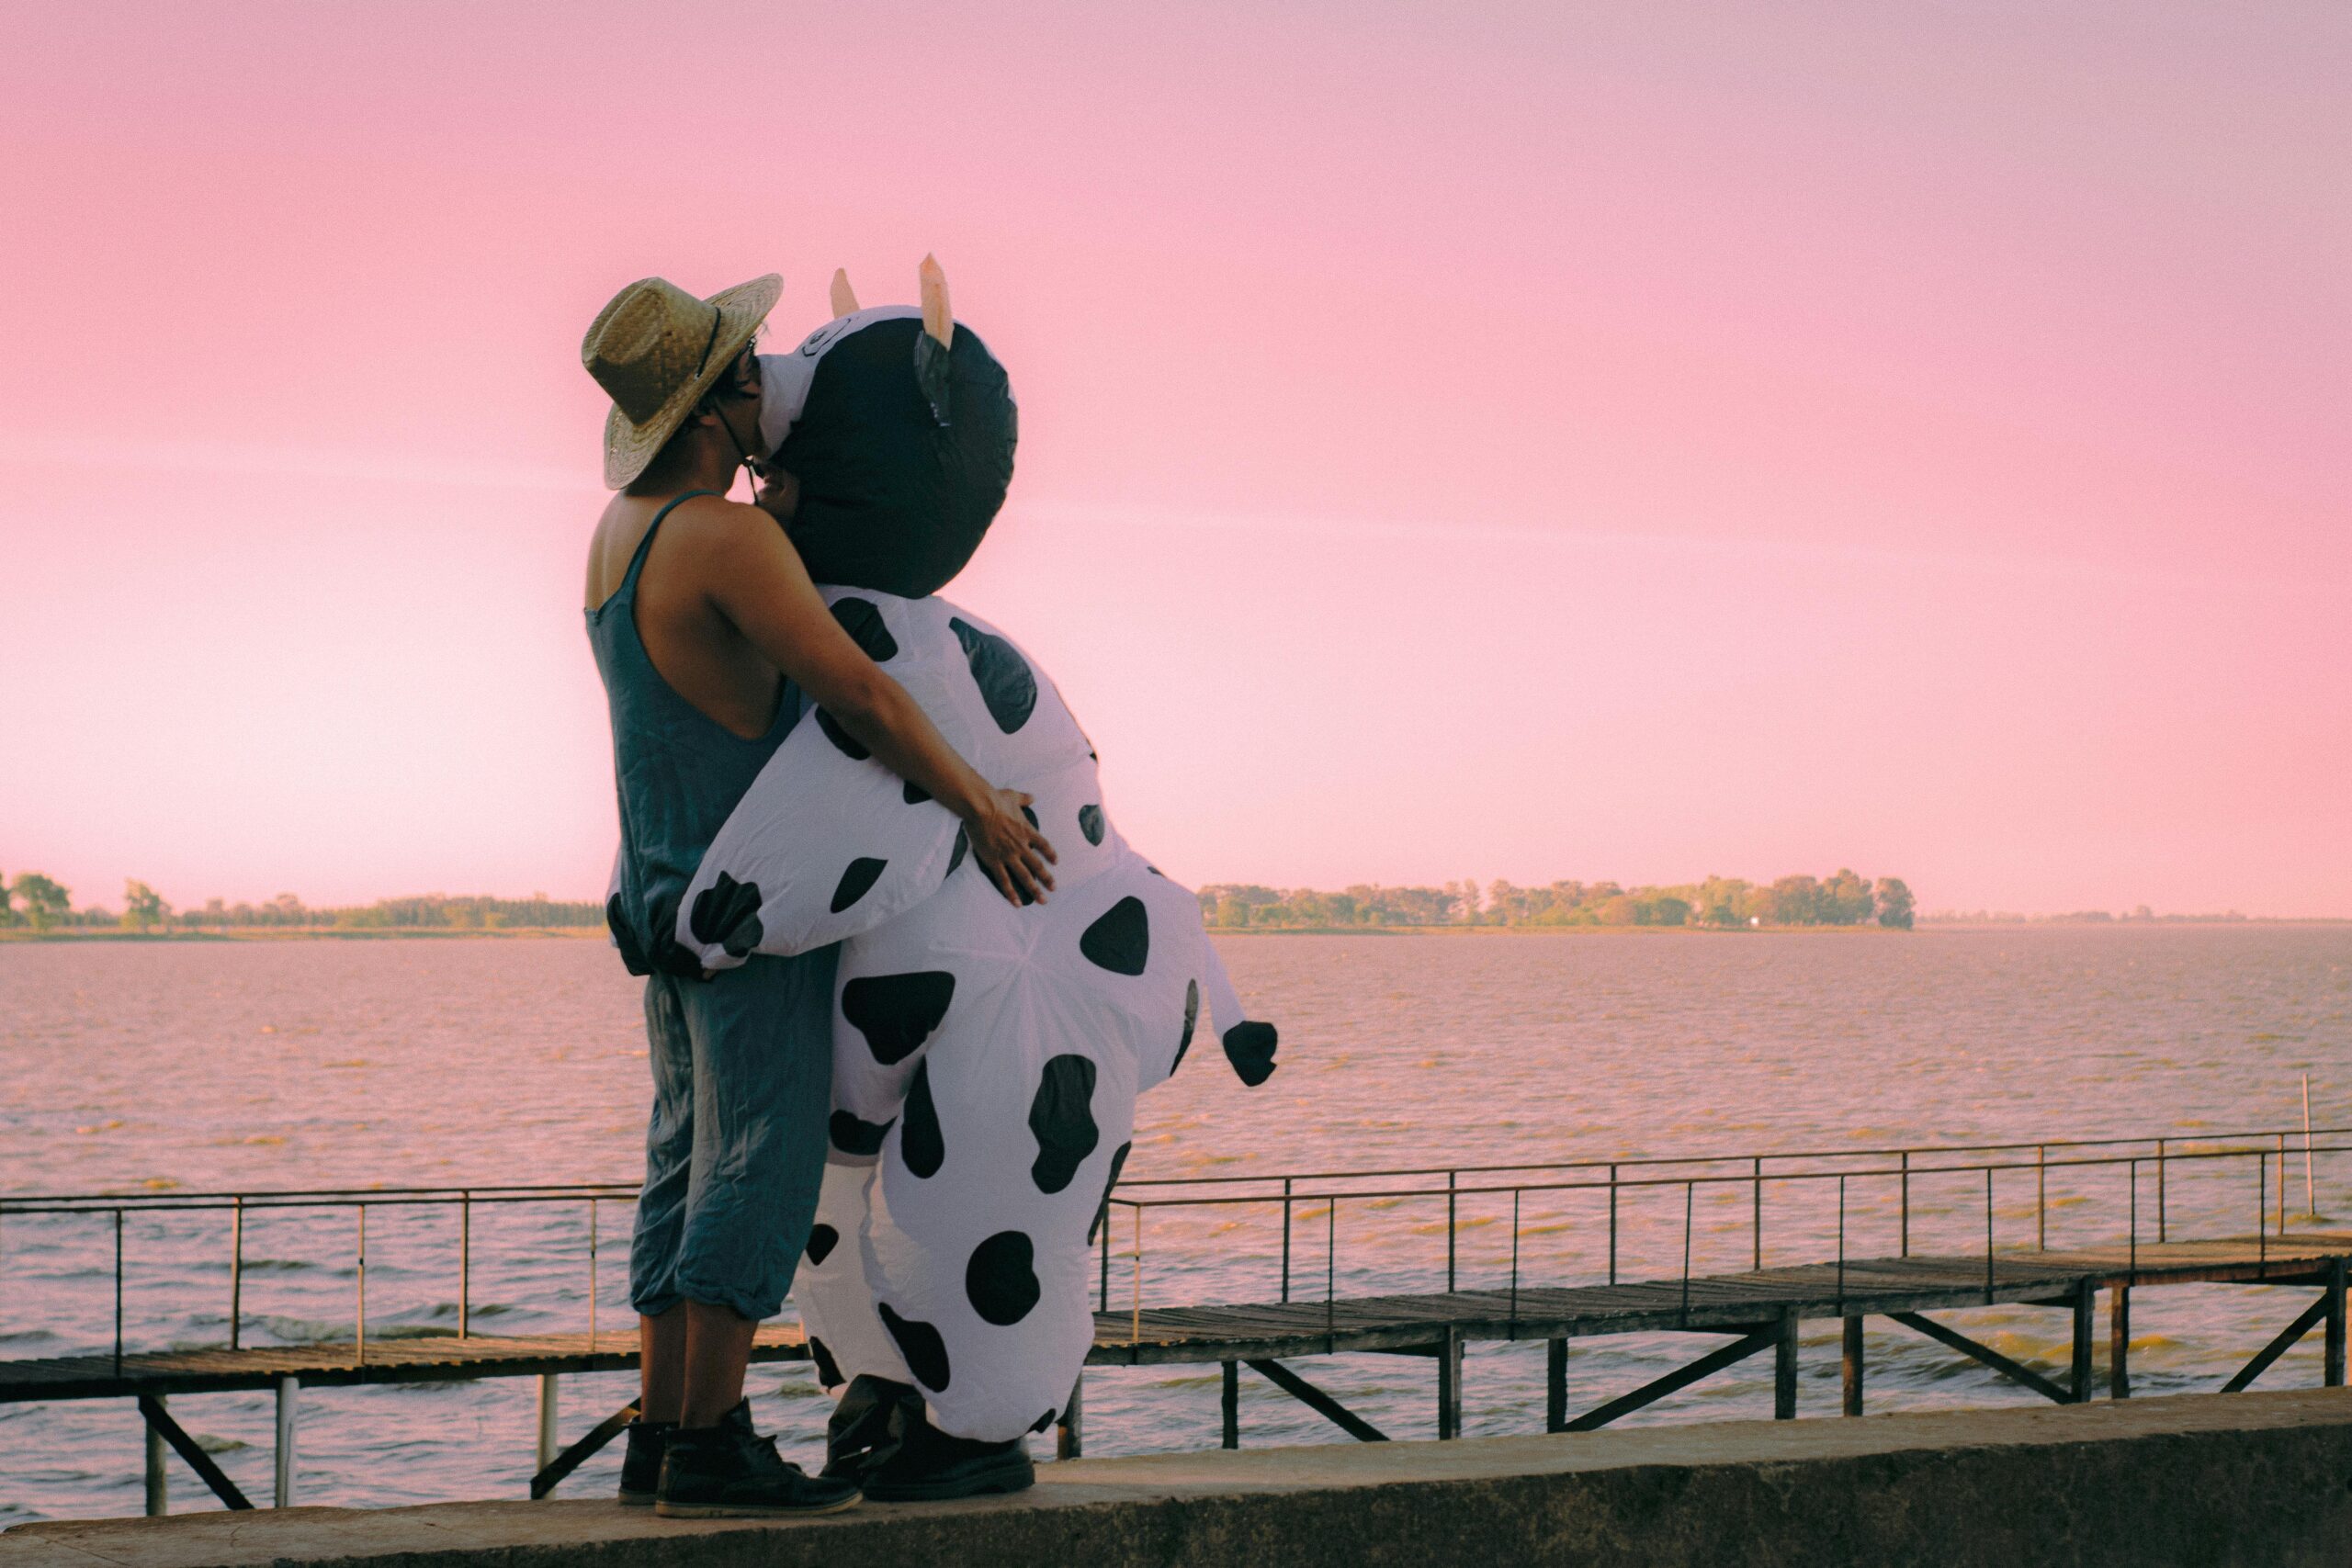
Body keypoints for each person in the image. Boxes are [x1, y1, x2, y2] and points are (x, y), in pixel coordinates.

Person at [578, 273, 1057, 1519]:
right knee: (761, 1165)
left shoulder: (615, 536)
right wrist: (977, 801)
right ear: (719, 402)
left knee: (679, 1164)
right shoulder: (725, 538)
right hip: (757, 896)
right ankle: (718, 1442)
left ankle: (662, 1431)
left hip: (658, 888)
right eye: (750, 376)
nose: (768, 393)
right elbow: (863, 692)